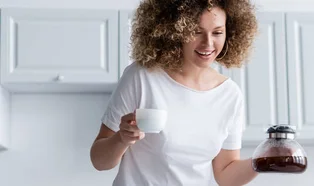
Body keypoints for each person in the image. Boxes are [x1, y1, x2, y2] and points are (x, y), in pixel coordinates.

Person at [89, 0, 259, 185]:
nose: (208, 43)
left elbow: (225, 175)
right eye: (196, 31)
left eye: (217, 32)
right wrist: (121, 139)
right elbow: (99, 161)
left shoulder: (230, 94)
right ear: (175, 30)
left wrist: (264, 160)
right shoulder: (142, 77)